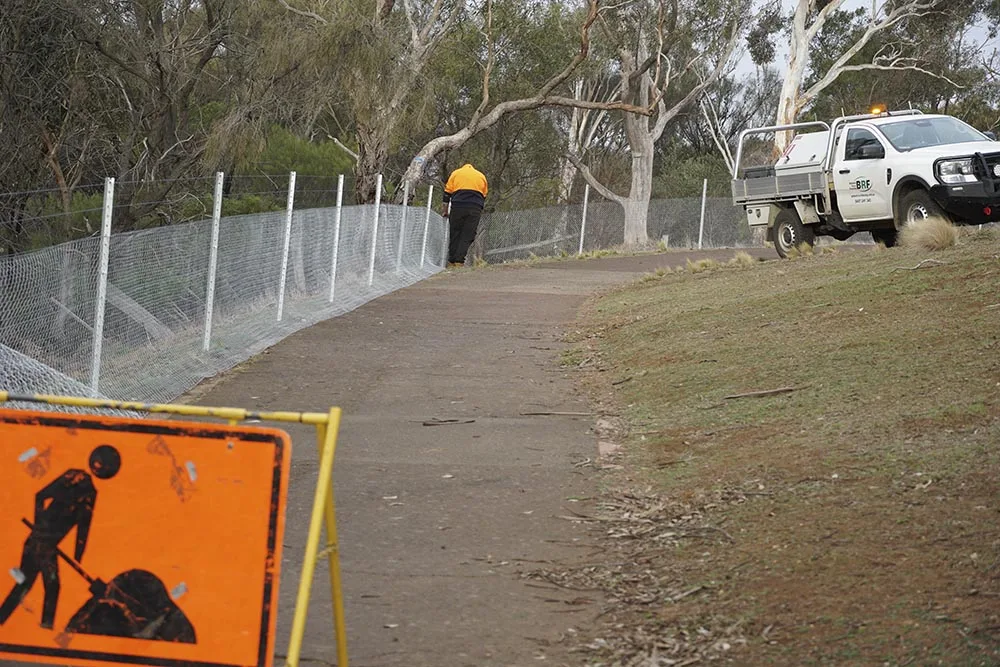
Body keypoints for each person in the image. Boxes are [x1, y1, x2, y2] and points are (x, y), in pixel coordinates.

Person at [0, 445, 121, 629]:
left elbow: (83, 527)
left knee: (26, 585)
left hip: (39, 542)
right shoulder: (72, 479)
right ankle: (46, 628)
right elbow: (40, 496)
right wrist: (41, 528)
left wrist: (78, 554)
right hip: (41, 543)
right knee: (49, 587)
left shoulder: (85, 489)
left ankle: (7, 619)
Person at [442, 163, 488, 267]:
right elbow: (484, 195)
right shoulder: (481, 176)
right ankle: (459, 261)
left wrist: (445, 211)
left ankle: (451, 261)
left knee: (455, 233)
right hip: (475, 208)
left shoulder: (455, 174)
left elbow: (447, 194)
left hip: (458, 206)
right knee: (468, 235)